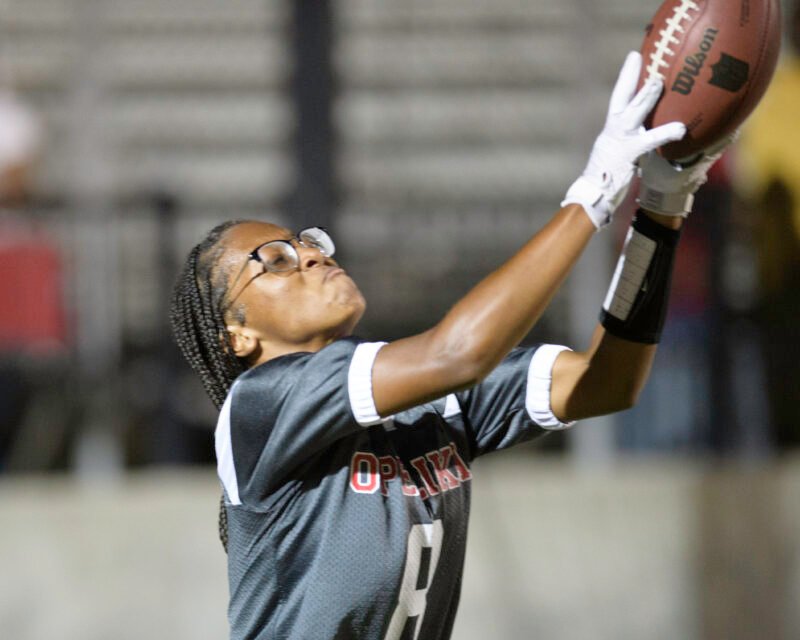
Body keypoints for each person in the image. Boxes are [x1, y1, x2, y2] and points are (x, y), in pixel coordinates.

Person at [170, 52, 728, 640]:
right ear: (238, 333)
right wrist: (596, 193)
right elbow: (459, 353)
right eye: (275, 261)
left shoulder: (427, 403)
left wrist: (661, 209)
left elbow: (606, 382)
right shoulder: (264, 403)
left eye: (305, 242)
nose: (311, 254)